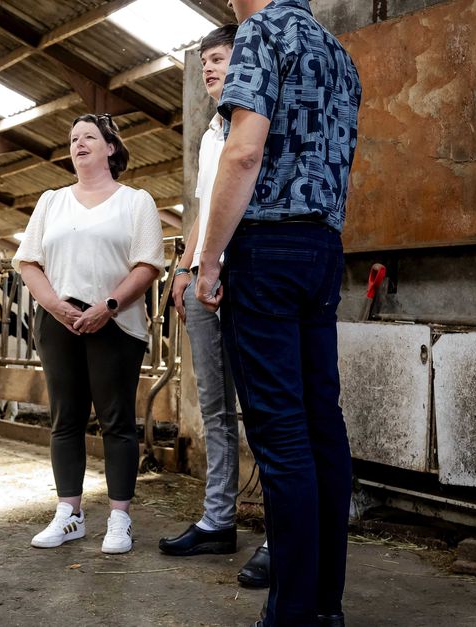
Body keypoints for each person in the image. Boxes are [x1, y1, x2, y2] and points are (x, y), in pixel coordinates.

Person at [195, 0, 361, 625]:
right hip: (323, 246)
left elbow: (243, 152)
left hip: (266, 245)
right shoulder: (339, 55)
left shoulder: (261, 32)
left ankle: (289, 613)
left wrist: (209, 258)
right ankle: (325, 607)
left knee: (282, 435)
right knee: (323, 427)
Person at [14, 114, 166, 556]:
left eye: (89, 137)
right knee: (66, 417)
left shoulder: (135, 201)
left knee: (116, 419)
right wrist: (53, 304)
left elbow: (147, 265)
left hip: (115, 321)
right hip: (58, 319)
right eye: (73, 138)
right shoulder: (51, 201)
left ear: (111, 149)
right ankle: (70, 514)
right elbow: (29, 263)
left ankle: (120, 517)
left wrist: (110, 305)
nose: (78, 143)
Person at [158, 24, 271, 590]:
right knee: (214, 406)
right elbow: (204, 203)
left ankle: (281, 533)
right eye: (204, 61)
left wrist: (217, 265)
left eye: (219, 58)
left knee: (266, 407)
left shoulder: (256, 119)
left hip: (245, 277)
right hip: (202, 279)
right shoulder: (210, 132)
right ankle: (219, 518)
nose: (208, 69)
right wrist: (185, 266)